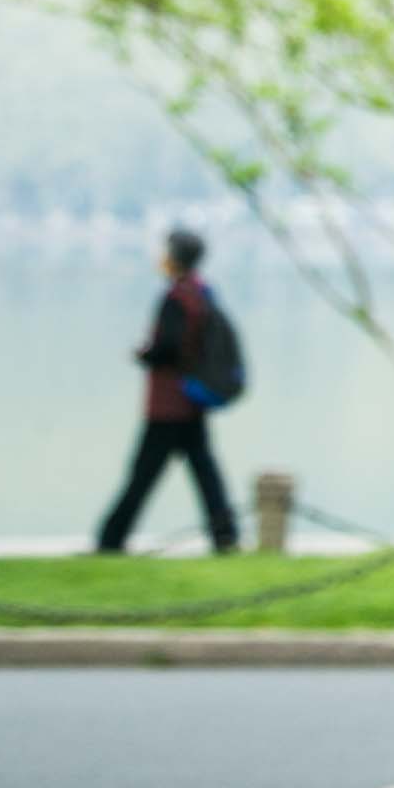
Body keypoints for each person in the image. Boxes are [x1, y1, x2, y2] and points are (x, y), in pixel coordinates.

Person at [95, 228, 240, 555]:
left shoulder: (178, 298)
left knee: (143, 474)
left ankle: (110, 540)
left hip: (169, 405)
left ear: (174, 257)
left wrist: (144, 354)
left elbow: (169, 348)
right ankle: (225, 537)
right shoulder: (201, 293)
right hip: (191, 402)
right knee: (204, 472)